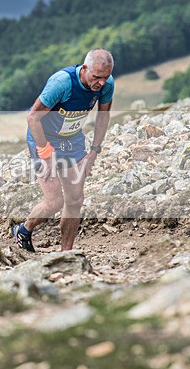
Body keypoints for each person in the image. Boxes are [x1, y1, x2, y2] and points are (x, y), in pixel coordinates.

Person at [13, 49, 114, 253]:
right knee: (55, 202)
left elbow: (103, 116)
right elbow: (33, 118)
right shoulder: (62, 83)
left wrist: (94, 151)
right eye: (96, 77)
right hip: (43, 138)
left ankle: (67, 252)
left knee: (75, 199)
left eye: (105, 77)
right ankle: (24, 229)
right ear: (85, 68)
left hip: (73, 140)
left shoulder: (107, 84)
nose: (101, 83)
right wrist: (46, 153)